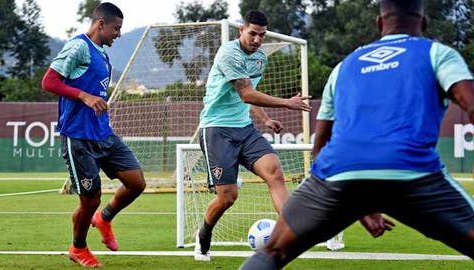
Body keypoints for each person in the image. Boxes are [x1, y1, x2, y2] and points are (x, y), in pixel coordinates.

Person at [240, 0, 474, 269]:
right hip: (410, 172)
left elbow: (321, 144)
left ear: (379, 23)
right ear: (423, 23)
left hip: (337, 173)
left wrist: (356, 202)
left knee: (272, 253)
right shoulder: (437, 53)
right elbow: (470, 104)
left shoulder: (344, 66)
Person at [194, 10, 312, 261]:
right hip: (216, 129)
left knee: (274, 172)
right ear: (241, 31)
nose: (257, 40)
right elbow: (246, 93)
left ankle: (289, 233)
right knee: (227, 197)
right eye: (252, 34)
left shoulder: (259, 58)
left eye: (262, 35)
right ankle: (203, 235)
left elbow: (248, 96)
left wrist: (266, 120)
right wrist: (287, 103)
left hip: (244, 129)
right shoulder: (229, 53)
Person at [42, 2, 146, 267]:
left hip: (103, 134)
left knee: (137, 183)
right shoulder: (78, 46)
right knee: (90, 199)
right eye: (116, 28)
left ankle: (105, 218)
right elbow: (49, 81)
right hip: (78, 137)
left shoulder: (102, 54)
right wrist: (84, 96)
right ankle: (78, 248)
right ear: (101, 23)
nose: (119, 34)